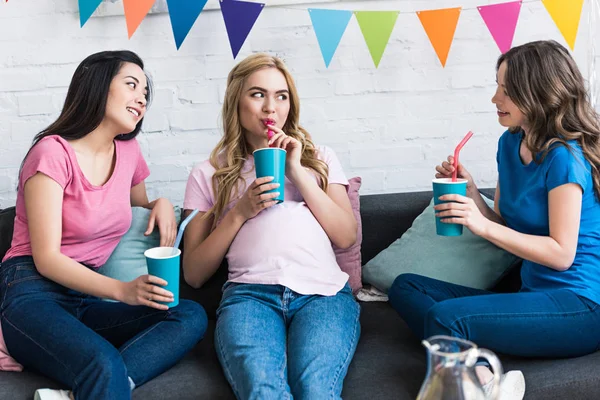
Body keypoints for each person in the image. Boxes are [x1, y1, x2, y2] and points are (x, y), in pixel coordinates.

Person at [389, 40, 600, 399]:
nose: (494, 98)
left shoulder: (565, 157)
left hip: (579, 306)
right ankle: (481, 371)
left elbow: (562, 254)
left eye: (505, 89)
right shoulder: (509, 143)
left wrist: (479, 223)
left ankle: (473, 382)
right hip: (533, 293)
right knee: (406, 286)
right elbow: (504, 225)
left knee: (442, 319)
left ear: (535, 92)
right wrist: (472, 194)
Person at [0, 50, 207, 400]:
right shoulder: (52, 153)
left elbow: (137, 207)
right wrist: (121, 290)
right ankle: (99, 381)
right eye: (131, 84)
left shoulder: (128, 152)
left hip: (84, 297)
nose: (141, 98)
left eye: (145, 92)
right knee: (102, 362)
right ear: (97, 86)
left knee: (187, 313)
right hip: (32, 292)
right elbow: (46, 258)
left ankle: (79, 393)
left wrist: (160, 205)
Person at [182, 53, 360, 399]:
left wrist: (297, 170)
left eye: (281, 96)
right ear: (237, 100)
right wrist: (239, 212)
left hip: (322, 295)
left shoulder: (319, 157)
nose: (271, 108)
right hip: (250, 296)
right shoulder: (207, 173)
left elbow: (345, 235)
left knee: (316, 389)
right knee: (264, 391)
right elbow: (194, 273)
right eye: (258, 94)